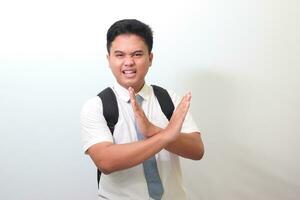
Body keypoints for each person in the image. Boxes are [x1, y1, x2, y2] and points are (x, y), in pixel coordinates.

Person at [80, 19, 204, 200]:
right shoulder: (96, 106)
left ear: (150, 58)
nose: (128, 62)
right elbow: (106, 161)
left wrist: (153, 131)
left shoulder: (168, 99)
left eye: (137, 54)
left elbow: (196, 150)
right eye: (120, 55)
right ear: (109, 59)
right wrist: (165, 136)